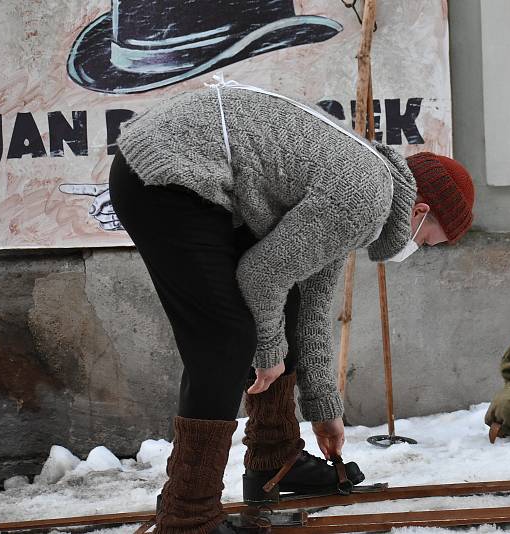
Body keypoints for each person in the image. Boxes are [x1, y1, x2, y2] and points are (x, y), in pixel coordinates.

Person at [108, 79, 475, 534]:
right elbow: (260, 277)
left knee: (291, 303)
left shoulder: (368, 189)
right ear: (420, 211)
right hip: (166, 172)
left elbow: (312, 304)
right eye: (432, 242)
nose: (422, 249)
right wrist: (267, 353)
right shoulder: (365, 196)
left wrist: (325, 409)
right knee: (225, 342)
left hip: (189, 170)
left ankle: (273, 458)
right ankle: (189, 516)